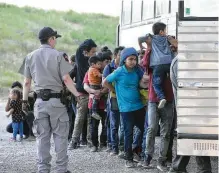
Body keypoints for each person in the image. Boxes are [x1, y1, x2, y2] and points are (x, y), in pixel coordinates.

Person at [22, 26, 79, 173]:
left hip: (39, 102)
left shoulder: (29, 56)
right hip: (57, 102)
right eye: (55, 39)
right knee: (60, 137)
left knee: (42, 137)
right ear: (51, 39)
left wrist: (23, 101)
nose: (56, 42)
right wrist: (78, 95)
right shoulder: (59, 55)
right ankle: (61, 169)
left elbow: (27, 82)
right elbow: (66, 79)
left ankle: (43, 169)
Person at [103, 47, 146, 168]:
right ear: (124, 59)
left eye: (135, 59)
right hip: (125, 108)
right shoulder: (119, 71)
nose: (133, 61)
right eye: (130, 59)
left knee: (145, 129)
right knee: (128, 133)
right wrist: (114, 91)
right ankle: (129, 159)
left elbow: (142, 82)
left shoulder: (138, 70)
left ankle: (138, 151)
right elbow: (105, 82)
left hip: (139, 106)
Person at [168, 56, 212, 173]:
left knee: (198, 142)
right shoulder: (180, 62)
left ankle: (179, 168)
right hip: (190, 110)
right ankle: (177, 168)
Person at [138, 22, 177, 109]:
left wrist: (141, 46)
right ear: (161, 32)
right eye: (165, 30)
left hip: (157, 64)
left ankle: (161, 97)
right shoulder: (167, 38)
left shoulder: (151, 37)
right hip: (168, 63)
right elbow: (176, 44)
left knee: (156, 83)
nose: (166, 32)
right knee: (172, 79)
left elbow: (139, 38)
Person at [68, 39, 97, 150]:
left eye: (95, 52)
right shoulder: (81, 60)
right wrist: (87, 43)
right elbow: (79, 49)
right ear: (86, 51)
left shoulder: (94, 63)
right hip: (83, 94)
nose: (94, 54)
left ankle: (91, 142)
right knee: (80, 118)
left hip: (93, 94)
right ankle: (74, 141)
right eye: (92, 51)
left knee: (91, 118)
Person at [102, 46, 125, 156]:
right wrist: (115, 91)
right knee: (114, 124)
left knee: (124, 124)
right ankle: (113, 147)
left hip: (125, 99)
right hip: (114, 98)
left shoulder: (126, 67)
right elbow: (105, 82)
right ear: (116, 56)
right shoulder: (109, 67)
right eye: (121, 55)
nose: (123, 57)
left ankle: (122, 147)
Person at [88, 56, 103, 120]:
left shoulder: (91, 69)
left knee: (96, 98)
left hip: (94, 85)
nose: (100, 65)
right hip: (95, 86)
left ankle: (94, 111)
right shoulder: (94, 69)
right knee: (95, 98)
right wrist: (106, 75)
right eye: (99, 64)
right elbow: (100, 75)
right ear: (93, 64)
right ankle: (94, 112)